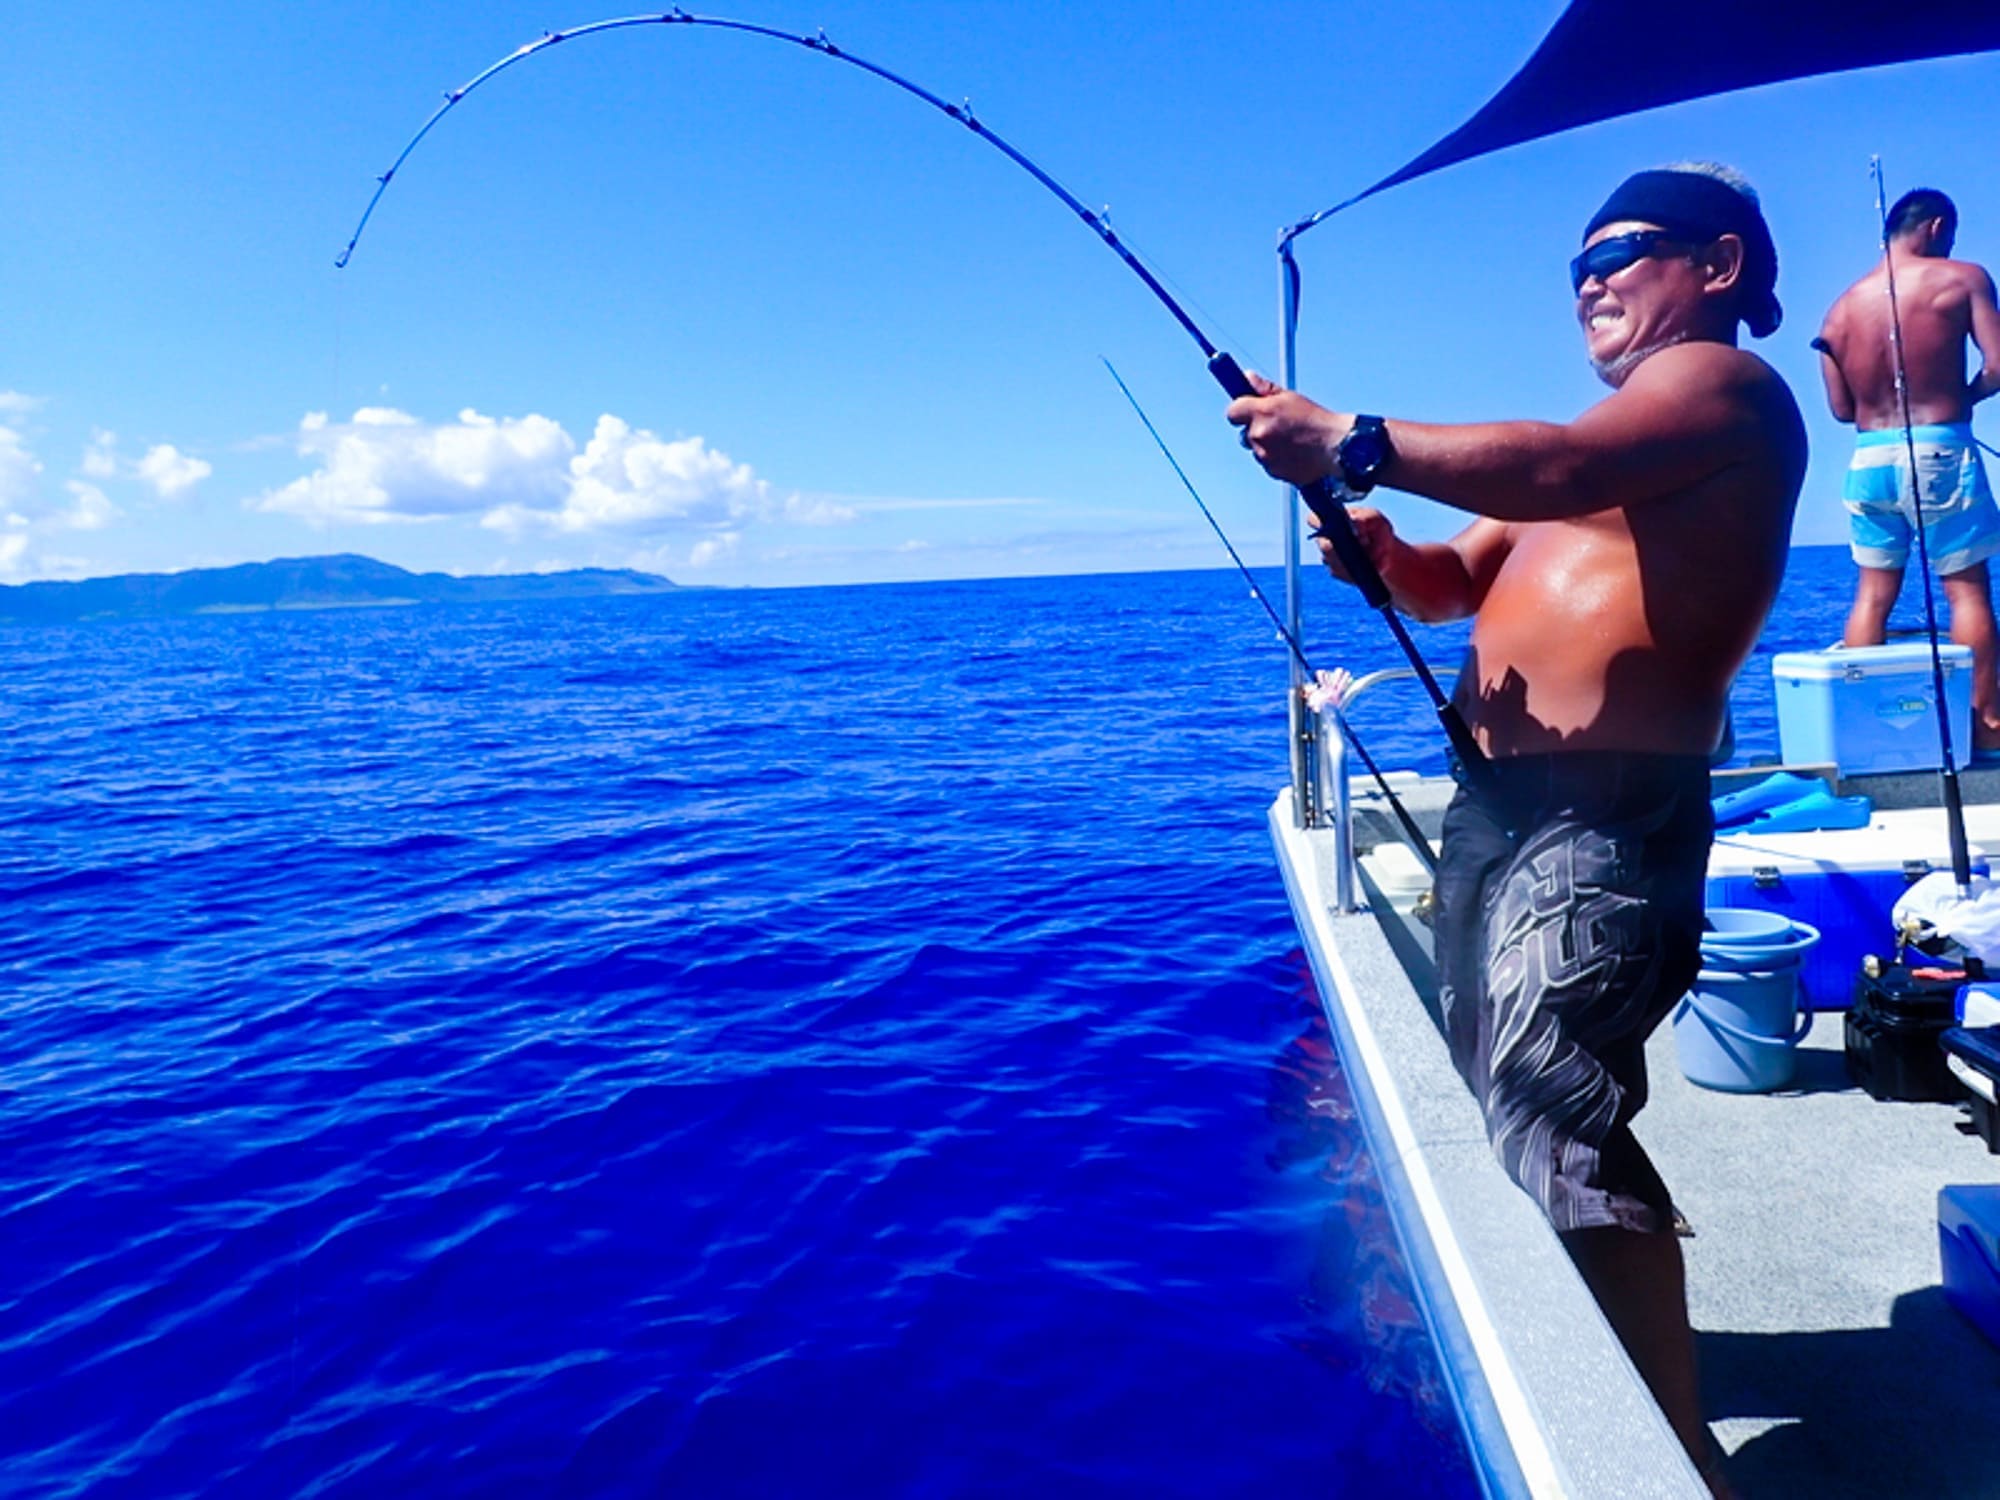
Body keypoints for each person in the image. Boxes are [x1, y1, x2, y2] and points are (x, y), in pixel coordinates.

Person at [1228, 163, 1806, 1497]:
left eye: (1628, 250)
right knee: (1518, 1104)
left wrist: (1355, 438)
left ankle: (1668, 1460)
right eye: (1578, 265)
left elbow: (1548, 466)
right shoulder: (1599, 452)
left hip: (1602, 822)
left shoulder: (1723, 394)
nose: (1592, 278)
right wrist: (1373, 543)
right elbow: (1444, 588)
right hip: (1501, 813)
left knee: (1558, 1113)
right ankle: (1625, 1381)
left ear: (1716, 268)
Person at [1817, 187, 2000, 750]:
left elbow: (1842, 410)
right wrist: (1963, 399)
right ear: (1936, 226)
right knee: (1966, 593)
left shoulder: (1838, 312)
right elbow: (1998, 366)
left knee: (1872, 596)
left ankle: (1869, 732)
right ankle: (1987, 732)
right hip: (1941, 452)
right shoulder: (1962, 278)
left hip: (1869, 460)